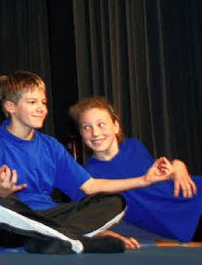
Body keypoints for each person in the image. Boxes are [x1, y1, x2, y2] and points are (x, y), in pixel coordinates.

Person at [0, 71, 174, 254]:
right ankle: (67, 236)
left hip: (47, 217)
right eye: (32, 102)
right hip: (8, 222)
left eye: (43, 102)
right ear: (10, 107)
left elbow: (91, 186)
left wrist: (145, 180)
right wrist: (1, 188)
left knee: (114, 201)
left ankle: (58, 238)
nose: (41, 109)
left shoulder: (50, 146)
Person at [69, 96, 202, 242]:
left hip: (195, 199)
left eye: (101, 124)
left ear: (116, 126)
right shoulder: (85, 177)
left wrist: (178, 165)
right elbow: (80, 224)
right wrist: (102, 234)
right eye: (86, 127)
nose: (95, 133)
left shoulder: (134, 146)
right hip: (184, 228)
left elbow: (163, 174)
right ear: (81, 133)